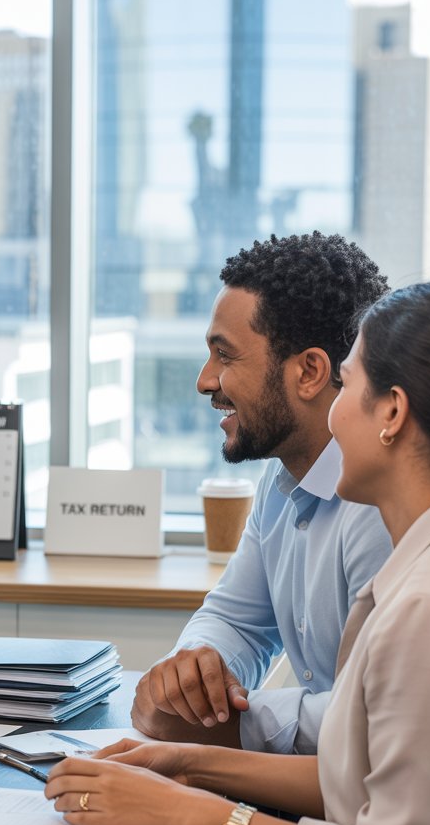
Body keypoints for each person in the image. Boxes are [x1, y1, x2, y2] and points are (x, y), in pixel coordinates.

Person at [47, 278, 430, 825]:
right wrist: (185, 760)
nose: (335, 414)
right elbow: (367, 779)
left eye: (349, 383)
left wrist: (188, 809)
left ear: (393, 414)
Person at [133, 233, 392, 755]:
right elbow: (235, 620)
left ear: (310, 372)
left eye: (224, 356)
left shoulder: (383, 505)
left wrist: (234, 726)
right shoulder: (281, 484)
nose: (206, 381)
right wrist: (196, 671)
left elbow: (373, 719)